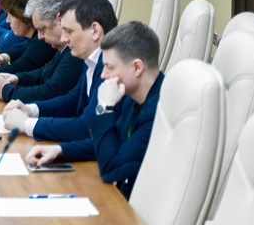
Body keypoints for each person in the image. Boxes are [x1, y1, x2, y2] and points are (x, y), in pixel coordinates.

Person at [26, 21, 165, 199]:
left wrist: (104, 108)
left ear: (136, 67)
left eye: (110, 67)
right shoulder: (135, 97)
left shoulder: (158, 112)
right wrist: (60, 150)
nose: (103, 74)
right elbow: (110, 142)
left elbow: (112, 169)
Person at [2, 0, 117, 145]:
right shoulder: (92, 60)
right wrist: (30, 109)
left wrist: (27, 124)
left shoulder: (111, 69)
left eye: (69, 31)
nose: (64, 38)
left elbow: (87, 127)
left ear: (95, 31)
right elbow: (72, 100)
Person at [0, 0, 83, 103]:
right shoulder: (64, 48)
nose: (40, 37)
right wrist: (18, 78)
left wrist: (7, 91)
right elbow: (44, 72)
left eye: (43, 29)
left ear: (59, 20)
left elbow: (51, 92)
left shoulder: (76, 52)